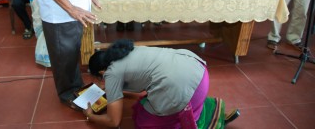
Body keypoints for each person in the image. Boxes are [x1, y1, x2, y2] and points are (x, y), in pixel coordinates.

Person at [85, 39, 239, 128]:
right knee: (148, 101)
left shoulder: (112, 73)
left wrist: (90, 116)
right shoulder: (128, 50)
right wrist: (117, 93)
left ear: (101, 72)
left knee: (144, 121)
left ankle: (202, 122)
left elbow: (113, 121)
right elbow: (142, 86)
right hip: (200, 72)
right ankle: (211, 108)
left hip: (182, 87)